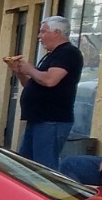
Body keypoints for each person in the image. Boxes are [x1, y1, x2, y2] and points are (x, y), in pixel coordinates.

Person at [7, 16, 81, 168]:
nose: (39, 36)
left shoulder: (68, 53)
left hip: (51, 120)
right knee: (25, 166)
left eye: (43, 32)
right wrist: (20, 72)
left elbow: (50, 80)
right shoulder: (50, 56)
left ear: (57, 32)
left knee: (43, 168)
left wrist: (30, 69)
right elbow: (30, 84)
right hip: (37, 119)